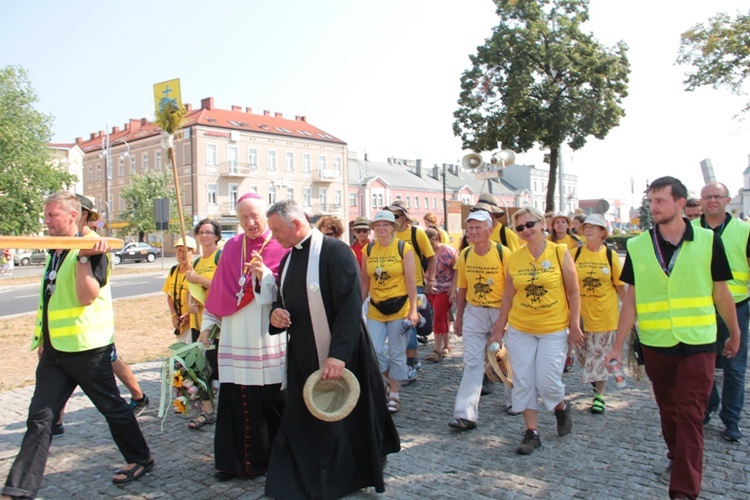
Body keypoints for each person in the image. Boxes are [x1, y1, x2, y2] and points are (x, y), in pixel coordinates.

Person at [2, 192, 152, 499]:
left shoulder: (92, 248)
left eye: (52, 215)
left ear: (74, 216)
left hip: (88, 350)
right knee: (40, 419)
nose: (46, 220)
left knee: (113, 408)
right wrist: (44, 339)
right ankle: (18, 489)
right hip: (57, 352)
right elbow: (50, 297)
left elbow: (86, 296)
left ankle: (141, 458)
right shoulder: (54, 249)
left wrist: (85, 256)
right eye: (46, 215)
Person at [605, 176, 740, 499]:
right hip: (656, 343)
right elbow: (632, 301)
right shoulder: (637, 246)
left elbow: (721, 293)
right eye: (651, 201)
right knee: (669, 409)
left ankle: (683, 490)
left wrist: (734, 334)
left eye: (660, 201)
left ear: (681, 203)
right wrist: (616, 344)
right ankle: (675, 455)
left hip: (699, 342)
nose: (654, 208)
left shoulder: (708, 241)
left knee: (692, 413)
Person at [265, 200, 400, 499]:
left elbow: (350, 308)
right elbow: (284, 301)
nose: (274, 237)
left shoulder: (334, 252)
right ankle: (302, 477)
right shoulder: (288, 260)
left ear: (296, 224)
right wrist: (276, 315)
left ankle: (342, 476)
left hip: (343, 352)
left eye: (276, 230)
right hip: (303, 354)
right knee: (303, 420)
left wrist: (337, 355)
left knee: (345, 421)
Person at [198, 193, 289, 481]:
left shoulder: (279, 245)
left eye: (255, 216)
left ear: (265, 215)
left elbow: (289, 295)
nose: (250, 223)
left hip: (266, 335)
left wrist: (265, 277)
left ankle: (276, 459)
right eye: (243, 218)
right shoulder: (232, 247)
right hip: (235, 334)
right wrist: (207, 327)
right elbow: (219, 291)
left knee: (270, 399)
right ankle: (234, 463)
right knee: (236, 399)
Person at [490, 207, 582, 455]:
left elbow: (573, 291)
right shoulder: (514, 258)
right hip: (521, 328)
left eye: (530, 224)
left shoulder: (560, 252)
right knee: (522, 381)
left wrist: (574, 325)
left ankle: (561, 407)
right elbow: (508, 295)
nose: (526, 230)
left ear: (543, 224)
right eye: (519, 227)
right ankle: (532, 432)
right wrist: (499, 329)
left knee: (548, 381)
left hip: (553, 327)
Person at [696, 182, 748, 442]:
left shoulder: (745, 231)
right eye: (707, 197)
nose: (712, 201)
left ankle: (731, 420)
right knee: (700, 365)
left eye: (717, 196)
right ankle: (708, 405)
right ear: (701, 201)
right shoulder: (689, 230)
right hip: (701, 308)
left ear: (728, 200)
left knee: (734, 368)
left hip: (736, 307)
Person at [450, 211, 510, 430]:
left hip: (499, 310)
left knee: (504, 358)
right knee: (472, 361)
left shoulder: (504, 254)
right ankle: (465, 412)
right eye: (470, 228)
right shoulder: (465, 254)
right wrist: (459, 317)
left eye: (478, 228)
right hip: (475, 311)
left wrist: (502, 320)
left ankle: (513, 400)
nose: (473, 232)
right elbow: (463, 287)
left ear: (490, 230)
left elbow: (511, 290)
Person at [360, 210, 418, 414]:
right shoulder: (368, 250)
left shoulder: (403, 248)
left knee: (396, 353)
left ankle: (394, 394)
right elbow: (365, 280)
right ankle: (389, 379)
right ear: (373, 228)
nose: (381, 228)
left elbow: (411, 281)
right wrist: (359, 305)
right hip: (376, 307)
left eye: (385, 224)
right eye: (378, 225)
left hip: (399, 307)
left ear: (393, 227)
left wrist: (413, 310)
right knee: (374, 351)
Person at [572, 214, 626, 414]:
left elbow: (620, 287)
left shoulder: (610, 256)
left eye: (594, 227)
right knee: (584, 356)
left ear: (603, 232)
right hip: (581, 316)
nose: (589, 230)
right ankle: (597, 384)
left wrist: (629, 313)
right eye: (587, 227)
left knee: (598, 356)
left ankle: (599, 396)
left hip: (605, 315)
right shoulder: (575, 254)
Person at [385, 200, 436, 380]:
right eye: (390, 216)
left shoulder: (416, 233)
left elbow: (431, 257)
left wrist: (430, 279)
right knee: (402, 323)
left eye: (396, 216)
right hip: (394, 286)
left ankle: (411, 360)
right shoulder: (388, 236)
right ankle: (409, 358)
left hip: (416, 283)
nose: (393, 219)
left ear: (405, 218)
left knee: (410, 321)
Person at [185, 218, 223, 430]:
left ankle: (225, 409)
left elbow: (223, 288)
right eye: (201, 232)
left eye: (209, 232)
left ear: (217, 236)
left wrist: (200, 279)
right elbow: (193, 293)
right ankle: (207, 411)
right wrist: (189, 306)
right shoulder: (197, 262)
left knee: (217, 368)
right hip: (197, 322)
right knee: (197, 369)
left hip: (216, 323)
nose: (205, 235)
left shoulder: (220, 257)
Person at [548, 213, 583, 373]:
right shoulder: (549, 241)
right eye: (557, 222)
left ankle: (568, 354)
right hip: (553, 285)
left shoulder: (575, 242)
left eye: (563, 222)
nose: (560, 225)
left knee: (570, 321)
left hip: (570, 283)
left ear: (568, 225)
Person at [424, 227, 457, 362]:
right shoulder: (423, 251)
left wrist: (454, 287)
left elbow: (457, 269)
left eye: (431, 243)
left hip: (445, 288)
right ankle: (447, 346)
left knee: (438, 316)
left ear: (436, 239)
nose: (429, 247)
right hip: (431, 288)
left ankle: (436, 349)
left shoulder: (448, 251)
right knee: (442, 317)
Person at [163, 236, 197, 345]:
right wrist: (174, 316)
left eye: (186, 251)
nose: (182, 254)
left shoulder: (196, 272)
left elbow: (201, 298)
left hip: (194, 324)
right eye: (179, 250)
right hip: (181, 324)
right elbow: (169, 295)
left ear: (193, 253)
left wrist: (188, 313)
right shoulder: (174, 271)